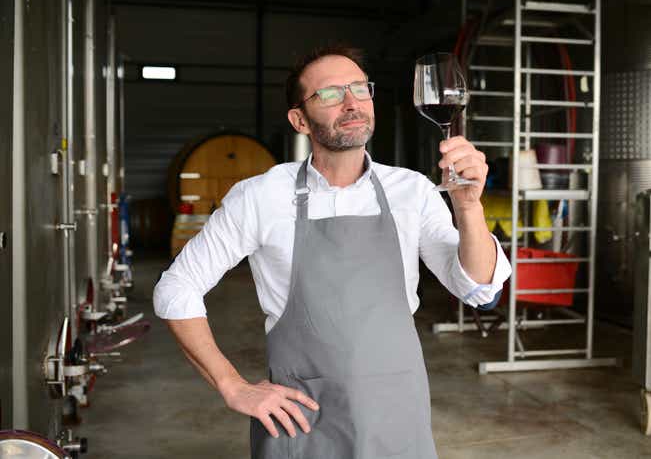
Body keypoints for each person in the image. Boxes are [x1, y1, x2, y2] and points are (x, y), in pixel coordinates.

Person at [153, 45, 511, 458]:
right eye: (329, 94)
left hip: (396, 417)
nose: (351, 102)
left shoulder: (412, 191)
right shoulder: (261, 197)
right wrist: (232, 385)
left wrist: (468, 207)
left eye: (360, 88)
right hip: (300, 422)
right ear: (299, 119)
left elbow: (480, 290)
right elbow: (176, 288)